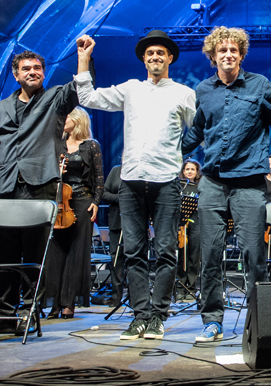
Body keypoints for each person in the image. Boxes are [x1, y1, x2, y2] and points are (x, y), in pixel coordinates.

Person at [75, 31, 195, 340]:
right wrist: (84, 59)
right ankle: (140, 315)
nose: (155, 57)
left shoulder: (183, 92)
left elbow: (198, 131)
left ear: (170, 58)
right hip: (130, 181)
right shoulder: (130, 89)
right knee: (133, 251)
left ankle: (158, 315)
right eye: (150, 53)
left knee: (167, 250)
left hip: (166, 180)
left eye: (161, 53)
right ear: (143, 59)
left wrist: (179, 153)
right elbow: (88, 98)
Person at [181, 26, 271, 343]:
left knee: (253, 256)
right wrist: (168, 150)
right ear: (213, 56)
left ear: (241, 55)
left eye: (234, 50)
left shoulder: (259, 85)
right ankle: (212, 320)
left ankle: (261, 321)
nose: (228, 55)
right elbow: (196, 133)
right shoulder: (203, 90)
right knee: (210, 254)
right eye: (222, 51)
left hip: (248, 183)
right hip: (212, 183)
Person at [0, 50, 79, 335]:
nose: (32, 72)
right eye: (26, 68)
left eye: (37, 68)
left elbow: (79, 88)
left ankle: (27, 311)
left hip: (39, 184)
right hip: (5, 186)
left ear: (44, 72)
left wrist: (83, 57)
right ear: (15, 74)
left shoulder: (55, 98)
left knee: (33, 254)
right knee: (5, 255)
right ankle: (3, 314)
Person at [44, 107, 102, 319]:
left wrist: (96, 202)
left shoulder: (91, 146)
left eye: (66, 116)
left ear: (77, 121)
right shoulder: (57, 145)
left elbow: (99, 178)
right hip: (58, 203)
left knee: (77, 253)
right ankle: (55, 303)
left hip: (81, 202)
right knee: (56, 253)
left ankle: (69, 302)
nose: (62, 119)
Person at [177, 160, 203, 299]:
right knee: (182, 255)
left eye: (193, 169)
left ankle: (191, 287)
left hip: (196, 222)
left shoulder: (200, 186)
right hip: (181, 224)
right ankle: (180, 286)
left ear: (197, 171)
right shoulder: (179, 185)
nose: (190, 171)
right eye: (187, 169)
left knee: (194, 255)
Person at [101, 164, 125, 308]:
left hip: (135, 223)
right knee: (116, 259)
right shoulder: (116, 170)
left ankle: (136, 297)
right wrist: (121, 199)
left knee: (134, 260)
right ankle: (116, 296)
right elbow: (104, 193)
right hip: (116, 222)